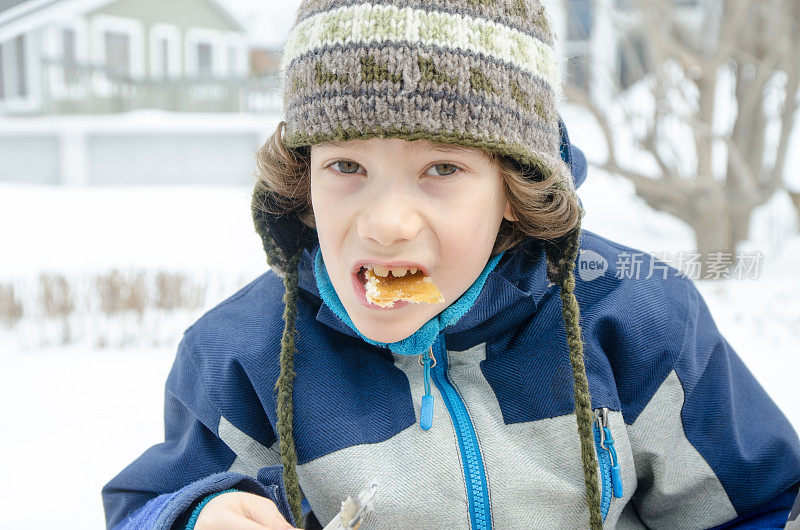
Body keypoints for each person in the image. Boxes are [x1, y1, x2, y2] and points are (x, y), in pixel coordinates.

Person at [102, 1, 800, 528]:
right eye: (347, 165)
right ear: (301, 181)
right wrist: (196, 515)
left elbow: (766, 501)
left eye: (441, 168)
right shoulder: (242, 357)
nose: (385, 222)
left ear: (514, 190)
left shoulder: (635, 319)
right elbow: (148, 503)